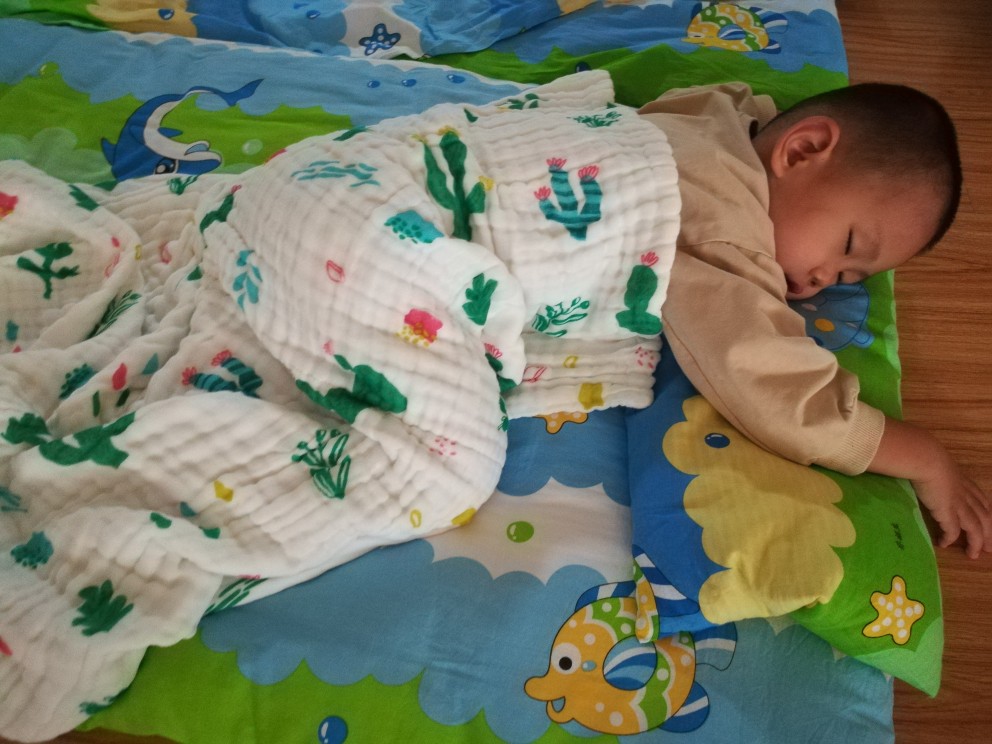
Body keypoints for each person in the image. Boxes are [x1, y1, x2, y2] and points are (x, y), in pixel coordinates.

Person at [638, 82, 991, 558]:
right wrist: (924, 457)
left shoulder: (711, 112)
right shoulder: (721, 235)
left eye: (849, 277)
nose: (825, 280)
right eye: (847, 247)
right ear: (800, 149)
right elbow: (774, 391)